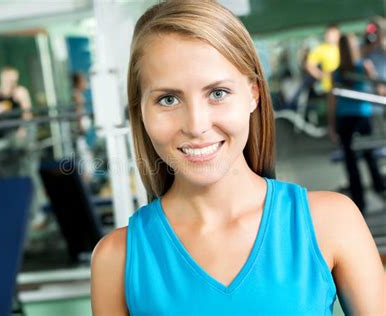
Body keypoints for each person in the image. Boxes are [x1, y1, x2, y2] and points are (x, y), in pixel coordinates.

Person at [91, 1, 384, 315]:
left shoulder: (332, 221)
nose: (196, 125)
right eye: (168, 98)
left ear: (253, 94)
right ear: (141, 113)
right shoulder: (116, 259)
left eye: (217, 93)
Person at [328, 33, 385, 213]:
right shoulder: (364, 66)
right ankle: (380, 191)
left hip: (344, 120)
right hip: (362, 117)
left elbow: (332, 102)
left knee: (351, 163)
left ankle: (360, 203)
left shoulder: (337, 73)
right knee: (370, 159)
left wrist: (331, 125)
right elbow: (380, 90)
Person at [289, 24, 340, 118]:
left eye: (332, 34)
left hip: (341, 86)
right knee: (332, 114)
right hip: (328, 87)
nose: (329, 36)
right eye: (328, 33)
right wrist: (321, 75)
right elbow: (309, 65)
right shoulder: (321, 49)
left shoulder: (342, 48)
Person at [0, 66, 32, 140]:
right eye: (8, 79)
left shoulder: (20, 91)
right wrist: (0, 107)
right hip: (0, 129)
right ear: (2, 79)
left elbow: (27, 113)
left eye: (13, 79)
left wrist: (23, 129)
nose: (12, 82)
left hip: (16, 130)